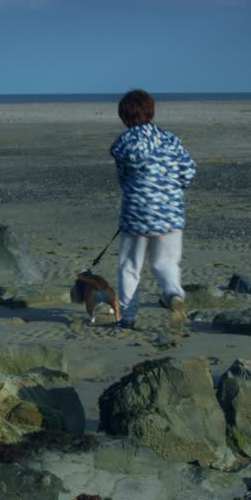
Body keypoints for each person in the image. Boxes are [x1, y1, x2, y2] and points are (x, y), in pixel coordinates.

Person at [110, 89, 196, 330]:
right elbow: (189, 172)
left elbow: (123, 179)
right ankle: (173, 293)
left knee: (129, 267)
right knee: (166, 263)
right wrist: (170, 190)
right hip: (170, 213)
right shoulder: (170, 139)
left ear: (124, 117)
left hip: (136, 214)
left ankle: (127, 318)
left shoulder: (123, 144)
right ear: (151, 112)